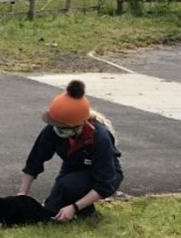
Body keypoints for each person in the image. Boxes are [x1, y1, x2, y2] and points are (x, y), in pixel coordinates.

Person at [17, 80, 123, 222]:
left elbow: (104, 184)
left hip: (106, 175)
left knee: (68, 186)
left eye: (64, 129)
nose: (59, 131)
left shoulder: (99, 137)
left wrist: (74, 207)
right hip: (73, 168)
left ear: (79, 125)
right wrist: (22, 194)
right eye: (56, 126)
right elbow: (34, 161)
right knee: (51, 212)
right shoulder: (52, 130)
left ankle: (85, 210)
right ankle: (86, 212)